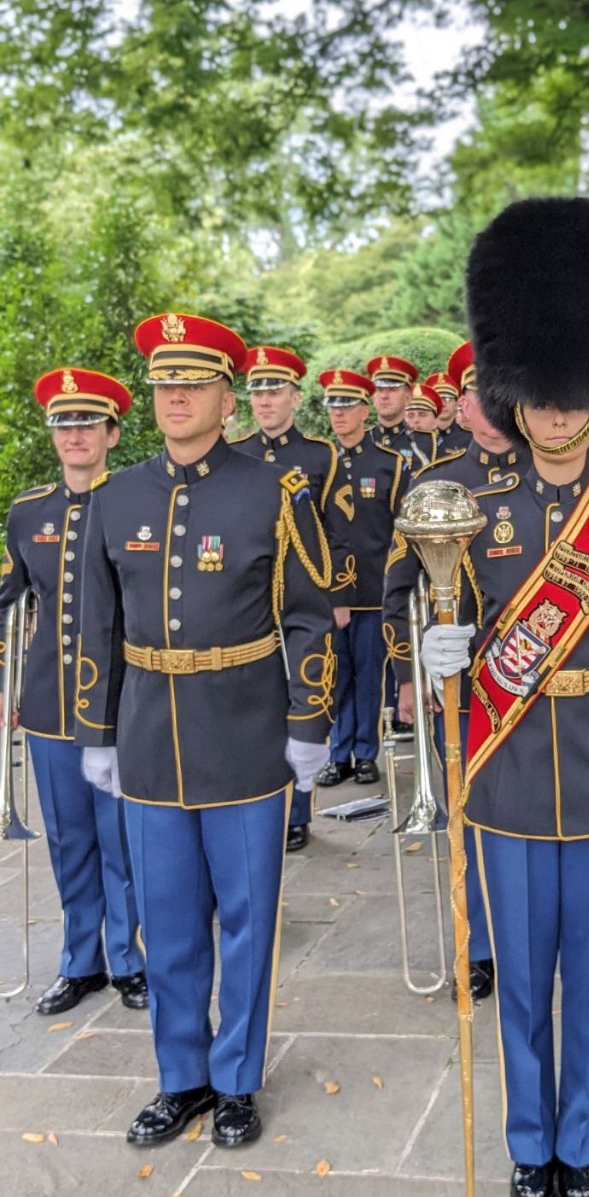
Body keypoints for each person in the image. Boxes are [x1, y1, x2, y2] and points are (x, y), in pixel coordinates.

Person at [423, 197, 589, 1197]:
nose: (559, 415)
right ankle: (529, 1140)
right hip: (510, 767)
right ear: (515, 392)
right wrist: (443, 648)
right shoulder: (469, 509)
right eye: (542, 398)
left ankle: (582, 1137)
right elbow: (439, 632)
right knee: (523, 981)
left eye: (577, 398)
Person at [75, 312, 336, 1148]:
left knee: (249, 920)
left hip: (247, 736)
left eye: (193, 383)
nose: (176, 396)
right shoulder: (115, 497)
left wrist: (307, 721)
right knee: (169, 921)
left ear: (229, 396)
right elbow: (97, 629)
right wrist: (98, 731)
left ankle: (236, 1079)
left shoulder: (272, 489)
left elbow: (306, 616)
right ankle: (179, 1077)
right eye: (163, 384)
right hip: (150, 739)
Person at [0, 367, 147, 1016]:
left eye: (88, 423)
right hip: (51, 705)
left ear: (112, 433)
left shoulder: (138, 502)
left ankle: (130, 957)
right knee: (68, 840)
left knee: (122, 837)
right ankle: (79, 959)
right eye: (64, 423)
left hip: (121, 707)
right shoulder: (28, 510)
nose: (75, 434)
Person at [382, 341, 518, 1003]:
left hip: (534, 679)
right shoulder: (436, 482)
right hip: (459, 683)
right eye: (475, 395)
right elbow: (395, 583)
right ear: (459, 406)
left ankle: (531, 936)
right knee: (467, 813)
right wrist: (409, 670)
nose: (488, 408)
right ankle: (482, 944)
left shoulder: (548, 473)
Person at [231, 344, 351, 850]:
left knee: (303, 701)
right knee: (254, 708)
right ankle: (257, 800)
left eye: (274, 390)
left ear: (295, 397)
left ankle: (297, 810)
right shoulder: (236, 453)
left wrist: (338, 596)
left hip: (302, 600)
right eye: (256, 390)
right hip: (250, 603)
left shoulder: (321, 454)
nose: (264, 401)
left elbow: (338, 530)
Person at [317, 367, 410, 787]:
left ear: (364, 408)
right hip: (328, 591)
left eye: (347, 405)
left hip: (374, 588)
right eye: (332, 406)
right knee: (335, 676)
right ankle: (339, 753)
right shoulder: (321, 461)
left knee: (370, 675)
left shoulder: (390, 463)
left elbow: (400, 529)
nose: (338, 414)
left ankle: (366, 751)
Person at [366, 354, 430, 470]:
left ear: (408, 398)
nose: (384, 396)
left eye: (392, 390)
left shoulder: (426, 443)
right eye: (379, 390)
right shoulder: (362, 441)